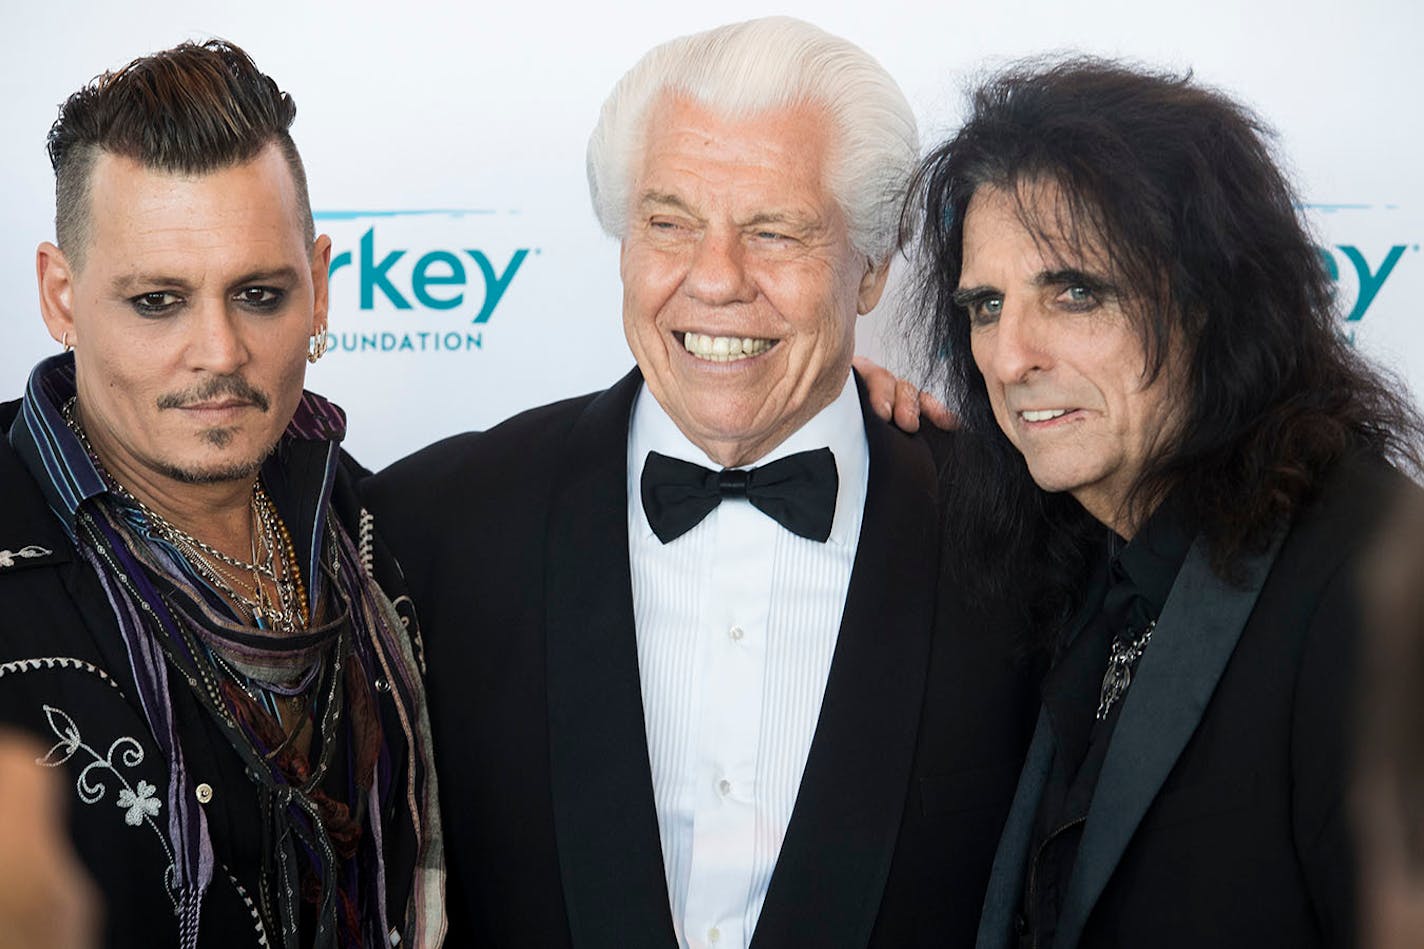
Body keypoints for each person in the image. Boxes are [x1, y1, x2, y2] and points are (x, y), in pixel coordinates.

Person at [364, 17, 1038, 949]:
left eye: (777, 231)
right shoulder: (430, 524)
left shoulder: (1022, 533)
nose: (715, 280)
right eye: (670, 222)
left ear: (873, 270)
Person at [894, 58, 1424, 948]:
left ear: (1211, 302)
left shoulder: (1373, 584)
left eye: (1074, 292)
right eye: (986, 304)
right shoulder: (1077, 547)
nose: (1010, 355)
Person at [0, 41, 442, 948]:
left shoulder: (380, 530)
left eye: (258, 293)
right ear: (61, 294)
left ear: (318, 286)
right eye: (158, 300)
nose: (220, 352)